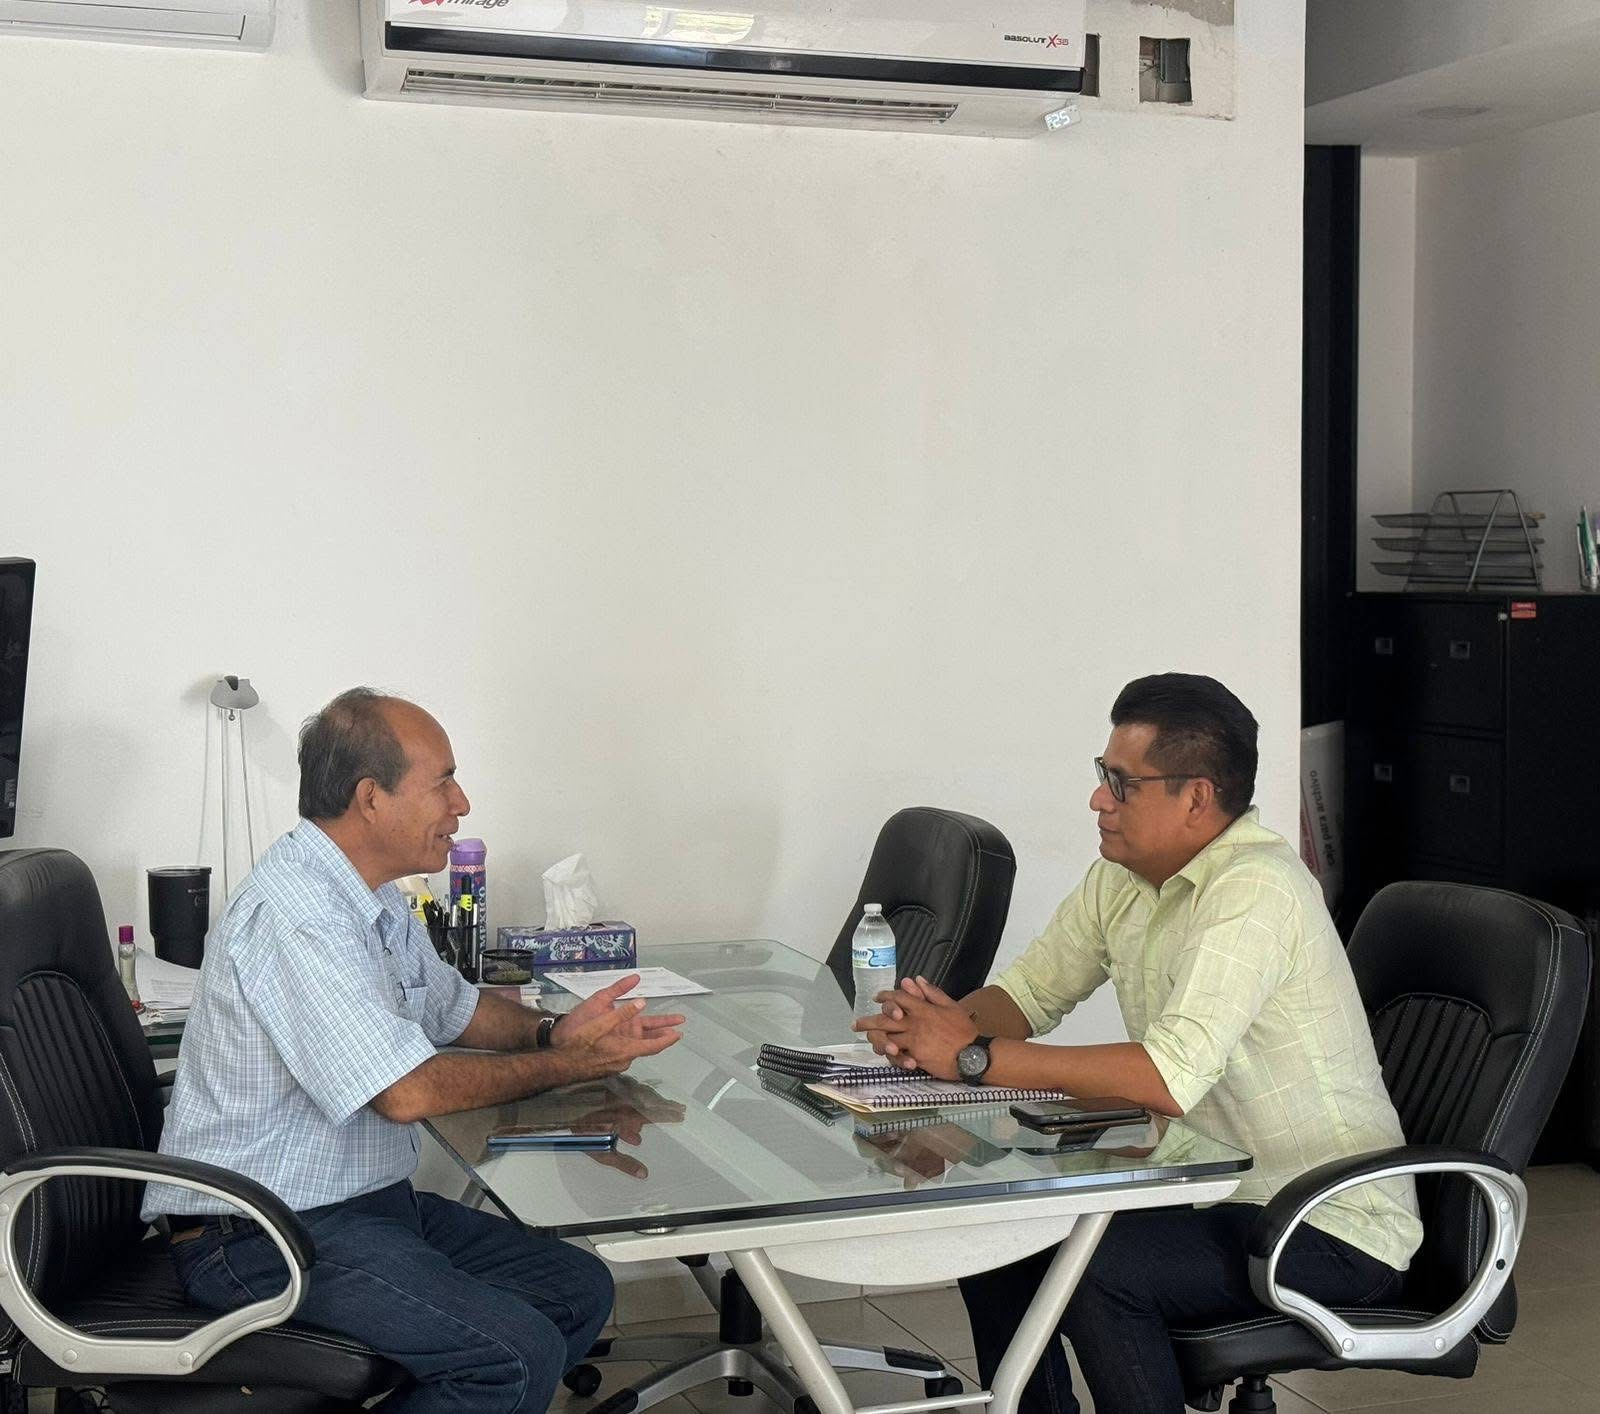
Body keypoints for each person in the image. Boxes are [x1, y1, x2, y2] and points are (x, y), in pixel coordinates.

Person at [855, 673, 1422, 1414]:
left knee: (1100, 1271)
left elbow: (1165, 1077)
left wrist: (970, 1055)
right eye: (1103, 775)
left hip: (1323, 1223)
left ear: (1196, 797)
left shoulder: (1257, 892)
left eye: (1122, 783)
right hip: (1209, 1190)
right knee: (997, 1233)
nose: (1099, 799)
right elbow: (1027, 996)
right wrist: (931, 1029)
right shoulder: (1122, 879)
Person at [143, 687, 684, 1414]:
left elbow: (453, 1007)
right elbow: (406, 1093)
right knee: (513, 1356)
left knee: (575, 1288)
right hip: (260, 1234)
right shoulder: (298, 914)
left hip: (360, 1209)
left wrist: (554, 1033)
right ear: (371, 798)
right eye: (443, 782)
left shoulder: (371, 896)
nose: (461, 804)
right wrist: (567, 1068)